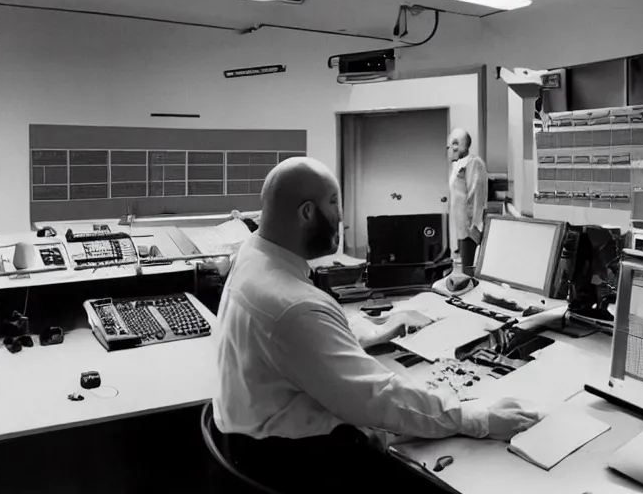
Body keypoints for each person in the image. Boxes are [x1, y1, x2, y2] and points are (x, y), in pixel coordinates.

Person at [213, 157, 539, 493]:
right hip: (296, 463)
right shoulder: (294, 306)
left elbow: (295, 344)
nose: (341, 216)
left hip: (248, 438)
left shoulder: (253, 256)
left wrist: (372, 331)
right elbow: (378, 398)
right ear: (307, 212)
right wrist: (478, 418)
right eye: (334, 202)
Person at [448, 128, 488, 276]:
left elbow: (475, 195)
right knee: (462, 268)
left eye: (457, 143)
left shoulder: (473, 163)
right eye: (452, 143)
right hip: (460, 226)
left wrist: (474, 225)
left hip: (470, 228)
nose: (453, 147)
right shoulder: (456, 165)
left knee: (468, 270)